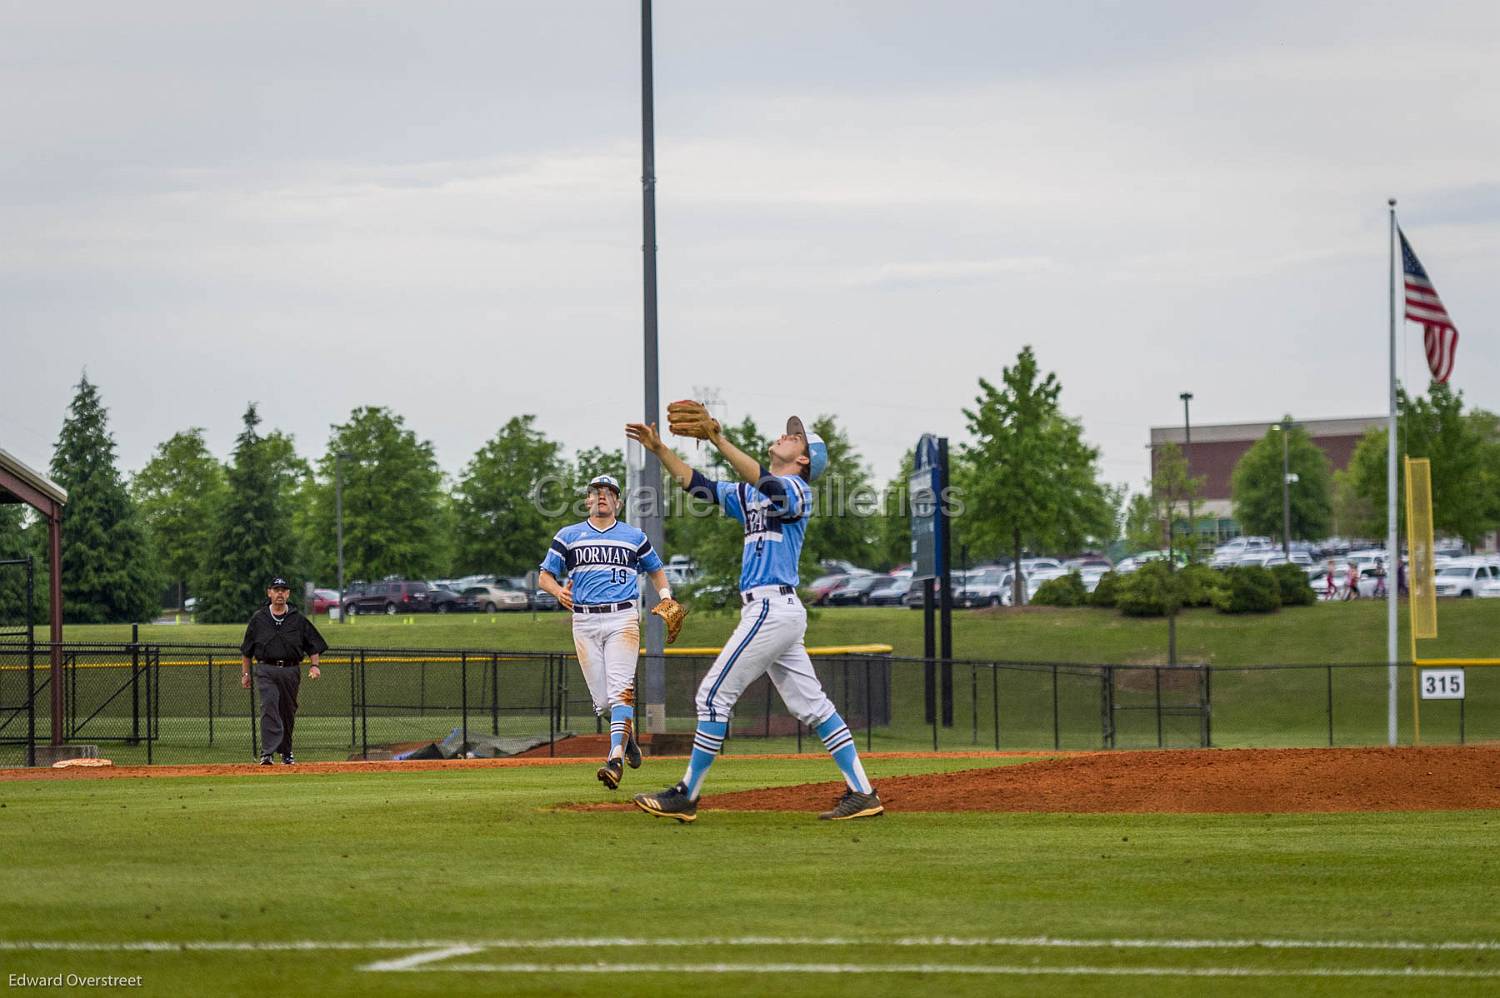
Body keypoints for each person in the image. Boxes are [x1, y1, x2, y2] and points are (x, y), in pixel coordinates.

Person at [625, 409, 883, 822]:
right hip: (773, 610)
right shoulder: (750, 495)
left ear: (804, 459)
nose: (785, 435)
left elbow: (766, 482)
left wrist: (719, 440)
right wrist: (660, 450)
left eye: (795, 437)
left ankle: (687, 795)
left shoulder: (799, 490)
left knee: (711, 697)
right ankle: (863, 793)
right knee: (814, 707)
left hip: (771, 608)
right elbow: (698, 485)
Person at [538, 474, 674, 791]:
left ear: (618, 502)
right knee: (602, 701)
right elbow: (544, 576)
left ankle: (614, 758)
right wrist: (558, 591)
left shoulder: (633, 536)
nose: (602, 495)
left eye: (609, 491)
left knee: (621, 691)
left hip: (622, 618)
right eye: (596, 491)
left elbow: (656, 569)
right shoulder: (569, 535)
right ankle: (627, 742)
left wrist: (666, 596)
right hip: (584, 621)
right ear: (587, 500)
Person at [240, 576, 327, 765]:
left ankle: (286, 752)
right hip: (266, 669)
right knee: (269, 705)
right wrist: (245, 674)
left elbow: (313, 645)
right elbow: (247, 651)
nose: (280, 593)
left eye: (283, 590)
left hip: (290, 670)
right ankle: (267, 753)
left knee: (287, 711)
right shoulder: (259, 618)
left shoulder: (297, 619)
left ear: (288, 594)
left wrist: (315, 666)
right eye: (276, 589)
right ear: (269, 592)